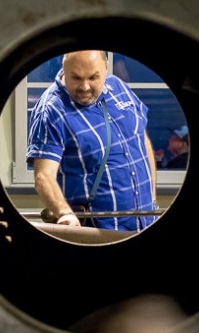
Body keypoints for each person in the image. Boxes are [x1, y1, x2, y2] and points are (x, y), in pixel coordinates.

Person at [26, 50, 158, 231]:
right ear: (64, 68)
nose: (85, 87)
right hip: (97, 232)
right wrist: (64, 213)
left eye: (93, 77)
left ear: (106, 68)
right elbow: (44, 176)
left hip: (146, 223)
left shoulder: (119, 87)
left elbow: (141, 140)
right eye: (76, 78)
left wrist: (152, 198)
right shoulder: (51, 110)